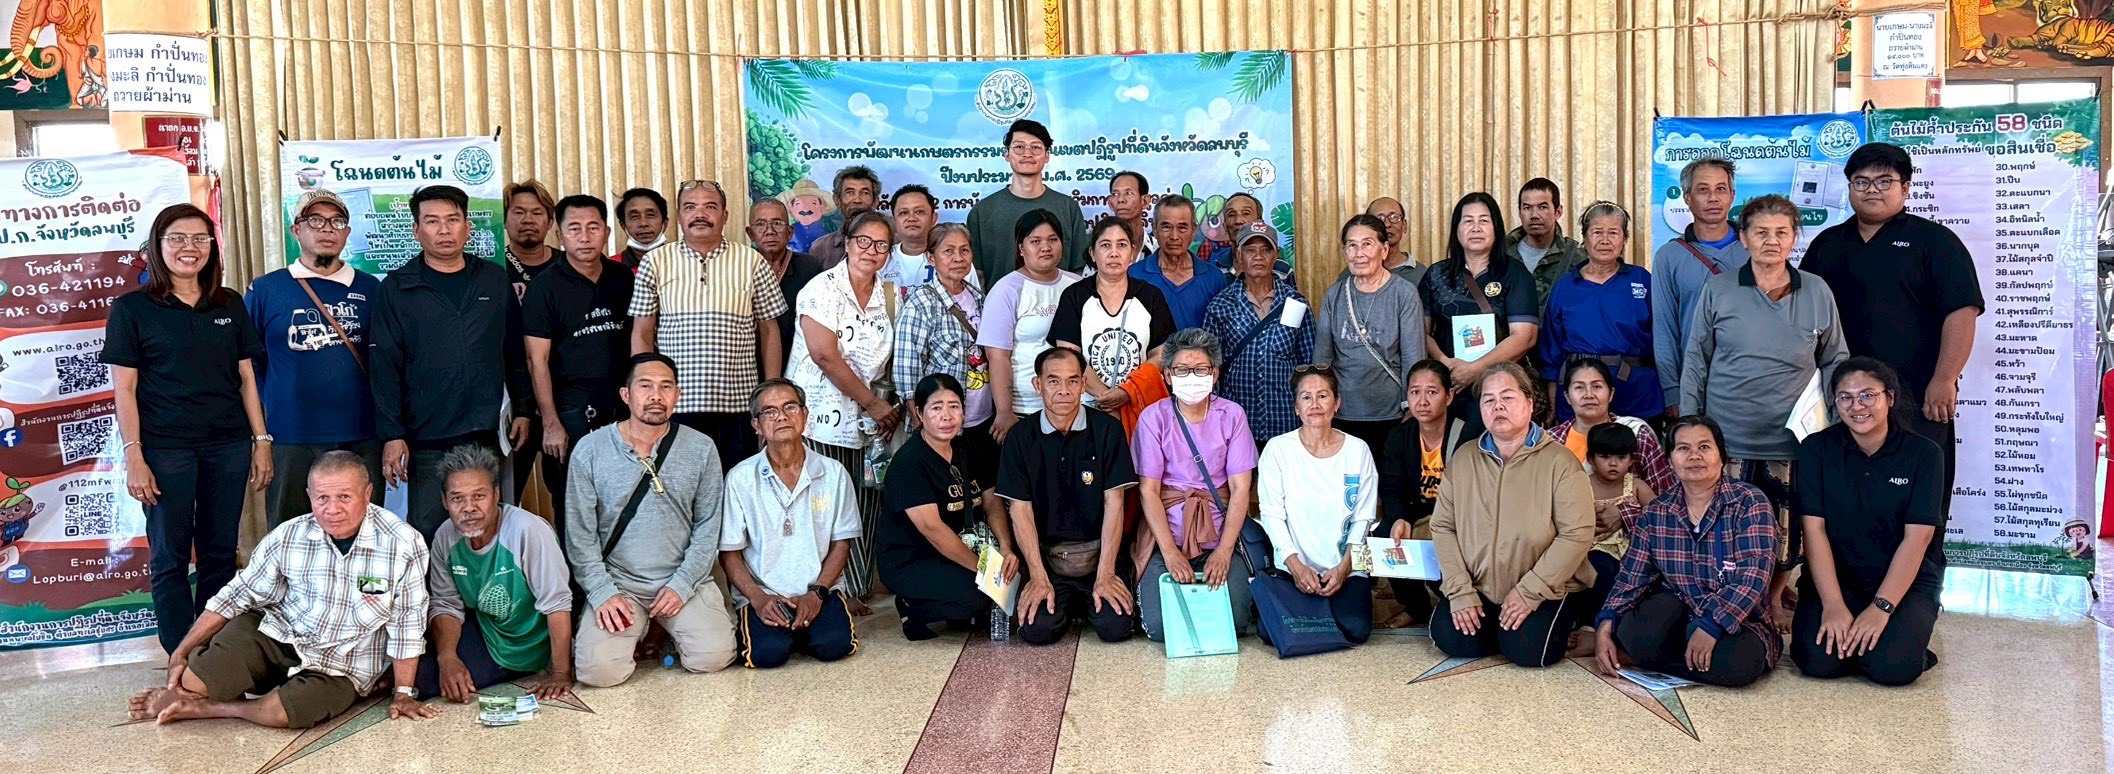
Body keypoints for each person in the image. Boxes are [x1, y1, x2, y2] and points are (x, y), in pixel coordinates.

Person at [126, 452, 434, 728]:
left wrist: (403, 693)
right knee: (194, 679)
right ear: (309, 496)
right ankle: (215, 693)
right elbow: (235, 595)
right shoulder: (289, 535)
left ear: (368, 494)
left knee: (284, 713)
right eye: (322, 498)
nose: (332, 509)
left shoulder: (402, 543)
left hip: (344, 662)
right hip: (282, 635)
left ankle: (216, 708)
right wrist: (180, 653)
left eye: (344, 497)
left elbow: (407, 623)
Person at [105, 204, 272, 654]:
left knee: (220, 554)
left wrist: (261, 441)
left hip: (228, 446)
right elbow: (125, 390)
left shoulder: (228, 303)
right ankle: (178, 654)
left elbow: (246, 378)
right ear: (157, 247)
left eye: (200, 238)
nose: (189, 247)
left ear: (212, 246)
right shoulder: (132, 309)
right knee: (170, 556)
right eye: (177, 238)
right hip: (165, 450)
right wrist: (134, 455)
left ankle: (209, 654)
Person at [1682, 194, 1849, 626]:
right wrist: (1689, 426)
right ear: (1744, 238)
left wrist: (1833, 421)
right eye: (1760, 232)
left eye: (1781, 232)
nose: (1771, 241)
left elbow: (1835, 359)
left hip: (1791, 439)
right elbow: (1697, 358)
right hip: (1727, 437)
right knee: (1726, 527)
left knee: (1785, 531)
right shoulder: (1719, 289)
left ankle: (1773, 598)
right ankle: (1731, 598)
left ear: (1794, 238)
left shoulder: (1816, 290)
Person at [1802, 142, 1984, 516]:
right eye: (1861, 181)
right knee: (1845, 496)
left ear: (1905, 188)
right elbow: (1802, 314)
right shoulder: (1827, 244)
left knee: (1917, 496)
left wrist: (1945, 379)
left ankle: (1921, 558)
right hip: (1844, 398)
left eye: (1884, 181)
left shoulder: (1934, 241)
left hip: (1916, 395)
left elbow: (1962, 312)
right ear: (1849, 187)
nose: (1872, 189)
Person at [370, 185, 531, 539]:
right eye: (432, 221)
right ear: (416, 230)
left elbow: (514, 351)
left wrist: (523, 409)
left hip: (486, 431)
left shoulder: (493, 279)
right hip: (427, 435)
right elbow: (384, 365)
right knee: (429, 527)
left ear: (467, 227)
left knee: (487, 526)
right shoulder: (397, 288)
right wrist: (393, 434)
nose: (444, 230)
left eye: (452, 220)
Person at [566, 354, 737, 686]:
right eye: (645, 386)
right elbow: (579, 535)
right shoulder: (590, 450)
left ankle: (666, 628)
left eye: (666, 387)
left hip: (683, 580)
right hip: (621, 583)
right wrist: (602, 591)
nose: (656, 396)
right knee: (599, 672)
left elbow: (708, 526)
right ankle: (642, 626)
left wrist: (682, 584)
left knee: (712, 658)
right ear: (626, 395)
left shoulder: (701, 448)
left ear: (677, 395)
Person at [1792, 358, 1946, 687]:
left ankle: (1908, 642)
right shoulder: (1816, 450)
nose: (1857, 406)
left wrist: (1881, 608)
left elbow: (1917, 539)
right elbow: (1814, 530)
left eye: (1867, 395)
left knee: (1891, 668)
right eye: (1845, 397)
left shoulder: (1924, 454)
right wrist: (1833, 605)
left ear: (1889, 397)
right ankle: (1863, 639)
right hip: (1838, 579)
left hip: (1904, 583)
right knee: (1818, 662)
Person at [1593, 416, 1780, 687]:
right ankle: (1666, 655)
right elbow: (1631, 577)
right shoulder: (1657, 512)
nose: (1694, 455)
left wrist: (1712, 624)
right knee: (1637, 635)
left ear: (1721, 456)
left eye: (1704, 447)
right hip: (1679, 610)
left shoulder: (1749, 502)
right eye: (1683, 448)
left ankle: (1650, 659)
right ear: (1670, 461)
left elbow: (1753, 576)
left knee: (1737, 663)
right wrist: (1605, 625)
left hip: (1739, 618)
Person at [1429, 363, 1595, 668]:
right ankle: (1498, 625)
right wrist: (1460, 590)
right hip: (1478, 585)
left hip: (1542, 587)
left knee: (1530, 652)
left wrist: (1529, 591)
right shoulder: (1464, 458)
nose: (1498, 406)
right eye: (1489, 400)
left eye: (1507, 397)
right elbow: (1442, 526)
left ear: (1530, 403)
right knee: (1452, 639)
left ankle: (1544, 620)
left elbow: (1577, 533)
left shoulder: (1560, 462)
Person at [245, 190, 384, 529]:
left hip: (361, 433)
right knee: (291, 531)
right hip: (290, 437)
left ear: (347, 232)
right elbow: (248, 365)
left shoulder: (371, 289)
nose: (327, 229)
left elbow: (388, 360)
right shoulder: (266, 290)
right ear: (296, 230)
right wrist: (265, 427)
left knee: (360, 531)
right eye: (315, 221)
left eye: (337, 221)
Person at [630, 179, 787, 471]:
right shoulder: (656, 261)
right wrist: (644, 392)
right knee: (679, 487)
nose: (700, 214)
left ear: (724, 216)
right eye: (690, 207)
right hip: (675, 405)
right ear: (679, 216)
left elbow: (769, 331)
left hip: (738, 405)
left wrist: (770, 395)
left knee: (735, 484)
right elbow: (642, 332)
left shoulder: (751, 261)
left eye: (710, 207)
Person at [788, 210, 900, 601]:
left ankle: (855, 588)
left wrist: (887, 406)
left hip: (870, 422)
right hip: (820, 418)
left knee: (865, 499)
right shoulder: (822, 289)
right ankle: (821, 589)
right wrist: (872, 403)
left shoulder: (890, 294)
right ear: (847, 243)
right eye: (863, 241)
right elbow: (824, 355)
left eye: (881, 245)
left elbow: (890, 358)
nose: (871, 250)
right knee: (822, 502)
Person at [996, 348, 1138, 645]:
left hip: (1099, 555)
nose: (1064, 390)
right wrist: (1037, 576)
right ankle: (1070, 602)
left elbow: (1115, 503)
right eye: (1053, 381)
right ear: (1038, 385)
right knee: (1037, 630)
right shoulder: (1020, 437)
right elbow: (1020, 510)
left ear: (1084, 384)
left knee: (1115, 627)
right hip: (1049, 559)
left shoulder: (1107, 430)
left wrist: (1106, 574)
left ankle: (1084, 601)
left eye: (1073, 381)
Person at [415, 445, 575, 702]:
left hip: (536, 645)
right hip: (490, 635)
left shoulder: (527, 530)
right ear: (444, 501)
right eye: (457, 498)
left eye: (479, 496)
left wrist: (560, 672)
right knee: (422, 679)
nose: (469, 507)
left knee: (440, 683)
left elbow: (557, 603)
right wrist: (447, 658)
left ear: (496, 494)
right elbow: (445, 604)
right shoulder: (446, 535)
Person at [720, 379, 862, 668]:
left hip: (819, 589)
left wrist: (817, 592)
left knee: (834, 646)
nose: (781, 416)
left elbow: (841, 544)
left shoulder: (833, 473)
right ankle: (788, 630)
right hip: (764, 593)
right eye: (769, 411)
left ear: (805, 415)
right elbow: (729, 553)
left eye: (790, 407)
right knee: (767, 655)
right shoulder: (740, 478)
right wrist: (758, 598)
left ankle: (804, 626)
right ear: (756, 425)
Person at [1130, 330, 1259, 642]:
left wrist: (1224, 552)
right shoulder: (1153, 418)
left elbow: (1241, 489)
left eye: (1201, 369)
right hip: (1167, 537)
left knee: (1236, 621)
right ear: (1167, 376)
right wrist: (1170, 553)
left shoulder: (1232, 415)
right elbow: (1148, 490)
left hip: (1221, 536)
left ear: (1214, 374)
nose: (1192, 377)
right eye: (1182, 370)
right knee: (1160, 629)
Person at [879, 374, 1018, 640]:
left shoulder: (968, 448)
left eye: (954, 406)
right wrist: (984, 571)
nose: (946, 416)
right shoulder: (910, 462)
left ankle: (954, 599)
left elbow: (992, 501)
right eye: (936, 407)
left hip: (960, 548)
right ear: (919, 413)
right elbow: (933, 530)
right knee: (977, 597)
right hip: (913, 559)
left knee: (1010, 576)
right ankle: (911, 605)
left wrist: (1005, 548)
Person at [525, 194, 635, 519]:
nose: (584, 237)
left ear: (607, 232)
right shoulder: (544, 287)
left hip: (622, 404)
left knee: (623, 495)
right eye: (574, 229)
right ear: (559, 234)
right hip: (570, 408)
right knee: (573, 500)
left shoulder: (623, 278)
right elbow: (536, 360)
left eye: (593, 227)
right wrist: (551, 423)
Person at [1255, 365, 1380, 644]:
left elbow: (1363, 518)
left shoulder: (1358, 450)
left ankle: (1320, 611)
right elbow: (1272, 515)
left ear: (1337, 403)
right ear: (1296, 407)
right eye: (1306, 397)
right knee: (1269, 632)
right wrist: (1296, 566)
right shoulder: (1278, 449)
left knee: (1355, 629)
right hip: (1294, 568)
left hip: (1345, 567)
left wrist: (1344, 568)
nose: (1315, 404)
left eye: (1323, 396)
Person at [1420, 192, 1541, 439]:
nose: (1476, 228)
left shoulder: (1515, 274)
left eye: (1484, 221)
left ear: (1496, 227)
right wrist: (1445, 362)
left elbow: (1524, 336)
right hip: (1449, 385)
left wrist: (1475, 369)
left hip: (1501, 388)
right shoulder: (1436, 274)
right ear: (1456, 228)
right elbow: (1419, 332)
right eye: (1468, 221)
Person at [1048, 217, 1177, 431]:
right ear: (1093, 253)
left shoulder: (1150, 295)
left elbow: (1161, 353)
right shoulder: (1074, 296)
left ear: (1132, 253)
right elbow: (1068, 355)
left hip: (1139, 407)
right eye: (1105, 245)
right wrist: (1106, 397)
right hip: (1086, 409)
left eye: (1122, 245)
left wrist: (1128, 391)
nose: (1114, 253)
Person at [1539, 201, 1661, 422]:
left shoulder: (1642, 280)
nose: (1605, 240)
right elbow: (1551, 346)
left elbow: (1664, 339)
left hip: (1637, 393)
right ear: (1584, 238)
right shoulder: (1566, 286)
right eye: (1597, 232)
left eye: (1613, 233)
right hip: (1580, 395)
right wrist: (1553, 397)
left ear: (1624, 239)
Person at [1316, 214, 1425, 455]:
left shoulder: (1404, 294)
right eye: (1351, 245)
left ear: (1384, 250)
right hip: (1343, 413)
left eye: (1367, 244)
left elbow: (1414, 358)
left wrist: (1412, 407)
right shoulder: (1334, 295)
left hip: (1392, 413)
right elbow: (1322, 360)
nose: (1359, 253)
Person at [1202, 221, 1313, 448]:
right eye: (1250, 250)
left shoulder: (1295, 303)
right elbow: (1209, 369)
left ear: (1276, 255)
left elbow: (1309, 364)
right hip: (1237, 423)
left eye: (1265, 250)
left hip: (1286, 422)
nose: (1258, 257)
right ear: (1239, 255)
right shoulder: (1220, 305)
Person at [1652, 156, 1747, 417]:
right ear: (1687, 197)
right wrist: (1672, 391)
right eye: (1703, 190)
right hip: (1694, 385)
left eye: (1721, 189)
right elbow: (1665, 329)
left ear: (1732, 196)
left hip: (1750, 384)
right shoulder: (1669, 256)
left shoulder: (1754, 250)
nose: (1713, 198)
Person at [893, 223, 998, 456]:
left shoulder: (980, 298)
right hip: (942, 426)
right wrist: (920, 424)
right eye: (948, 251)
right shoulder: (921, 304)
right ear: (931, 258)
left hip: (984, 419)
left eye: (964, 250)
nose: (958, 258)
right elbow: (906, 371)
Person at [979, 210, 1083, 444]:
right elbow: (997, 357)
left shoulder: (1077, 285)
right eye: (1036, 241)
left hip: (1073, 405)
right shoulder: (1006, 290)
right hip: (1025, 407)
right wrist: (1004, 411)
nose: (1045, 247)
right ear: (1021, 248)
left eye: (1053, 239)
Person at [1377, 360, 1468, 627]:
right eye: (1415, 392)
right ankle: (1416, 607)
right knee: (1387, 533)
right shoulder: (1400, 436)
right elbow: (1392, 488)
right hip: (1417, 512)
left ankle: (1453, 598)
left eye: (1432, 392)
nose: (1423, 401)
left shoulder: (1467, 434)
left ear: (1449, 396)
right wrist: (1399, 518)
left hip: (1457, 516)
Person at [968, 119, 1089, 288]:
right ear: (1007, 154)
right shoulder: (982, 212)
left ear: (1046, 155)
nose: (1027, 153)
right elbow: (977, 275)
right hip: (1000, 303)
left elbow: (1078, 270)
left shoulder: (1068, 208)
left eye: (1036, 147)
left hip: (1060, 303)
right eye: (1019, 147)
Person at [1547, 359, 1676, 495]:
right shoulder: (1551, 441)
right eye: (1579, 387)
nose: (1588, 395)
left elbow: (1666, 497)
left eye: (1597, 386)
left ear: (1611, 394)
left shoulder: (1638, 434)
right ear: (1567, 397)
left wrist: (1624, 509)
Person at [1579, 423, 1655, 627]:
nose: (1613, 463)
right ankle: (1592, 624)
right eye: (1605, 456)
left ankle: (1621, 623)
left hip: (1631, 552)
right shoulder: (1581, 485)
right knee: (1598, 571)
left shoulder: (1636, 486)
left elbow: (1658, 518)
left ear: (1631, 460)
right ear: (1590, 458)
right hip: (1592, 550)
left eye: (1621, 457)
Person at [1129, 194, 1228, 330]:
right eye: (1166, 227)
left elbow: (1222, 330)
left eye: (1182, 227)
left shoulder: (1214, 277)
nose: (1174, 236)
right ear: (1155, 229)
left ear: (1193, 230)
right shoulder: (1134, 275)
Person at [748, 197, 825, 372]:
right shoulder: (742, 267)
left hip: (799, 367)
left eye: (777, 223)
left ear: (790, 232)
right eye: (760, 224)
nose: (769, 231)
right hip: (749, 367)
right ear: (750, 233)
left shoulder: (809, 268)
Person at [1504, 178, 1587, 301]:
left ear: (1558, 212)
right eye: (1527, 208)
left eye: (1542, 207)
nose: (1534, 215)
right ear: (1520, 212)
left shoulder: (1577, 259)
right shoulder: (1500, 252)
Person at [882, 184, 970, 290]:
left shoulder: (958, 258)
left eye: (919, 212)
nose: (911, 218)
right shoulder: (881, 258)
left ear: (934, 218)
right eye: (904, 213)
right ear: (894, 221)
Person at [809, 165, 881, 269]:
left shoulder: (893, 245)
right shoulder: (820, 248)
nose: (857, 200)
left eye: (865, 193)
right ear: (837, 200)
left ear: (875, 202)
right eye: (850, 192)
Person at [503, 179, 559, 300]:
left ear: (550, 222)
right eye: (519, 212)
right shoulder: (493, 267)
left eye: (537, 213)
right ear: (504, 221)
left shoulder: (567, 264)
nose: (528, 220)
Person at [1198, 192, 1264, 275]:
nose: (1238, 221)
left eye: (1246, 213)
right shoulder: (1214, 271)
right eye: (1231, 215)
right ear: (1225, 226)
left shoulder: (1278, 268)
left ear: (1260, 224)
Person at [1364, 196, 1425, 286]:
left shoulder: (1421, 274)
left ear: (1404, 225)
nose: (1387, 224)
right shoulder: (1355, 272)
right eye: (1379, 219)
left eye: (1394, 217)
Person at [614, 187, 668, 271]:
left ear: (664, 223)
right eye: (634, 216)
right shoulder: (608, 268)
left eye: (650, 215)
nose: (643, 223)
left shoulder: (683, 262)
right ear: (623, 226)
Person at [1106, 170, 1155, 254]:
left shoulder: (1159, 249)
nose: (1120, 199)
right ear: (1110, 203)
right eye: (1115, 194)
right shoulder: (1100, 249)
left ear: (1145, 201)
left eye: (1128, 193)